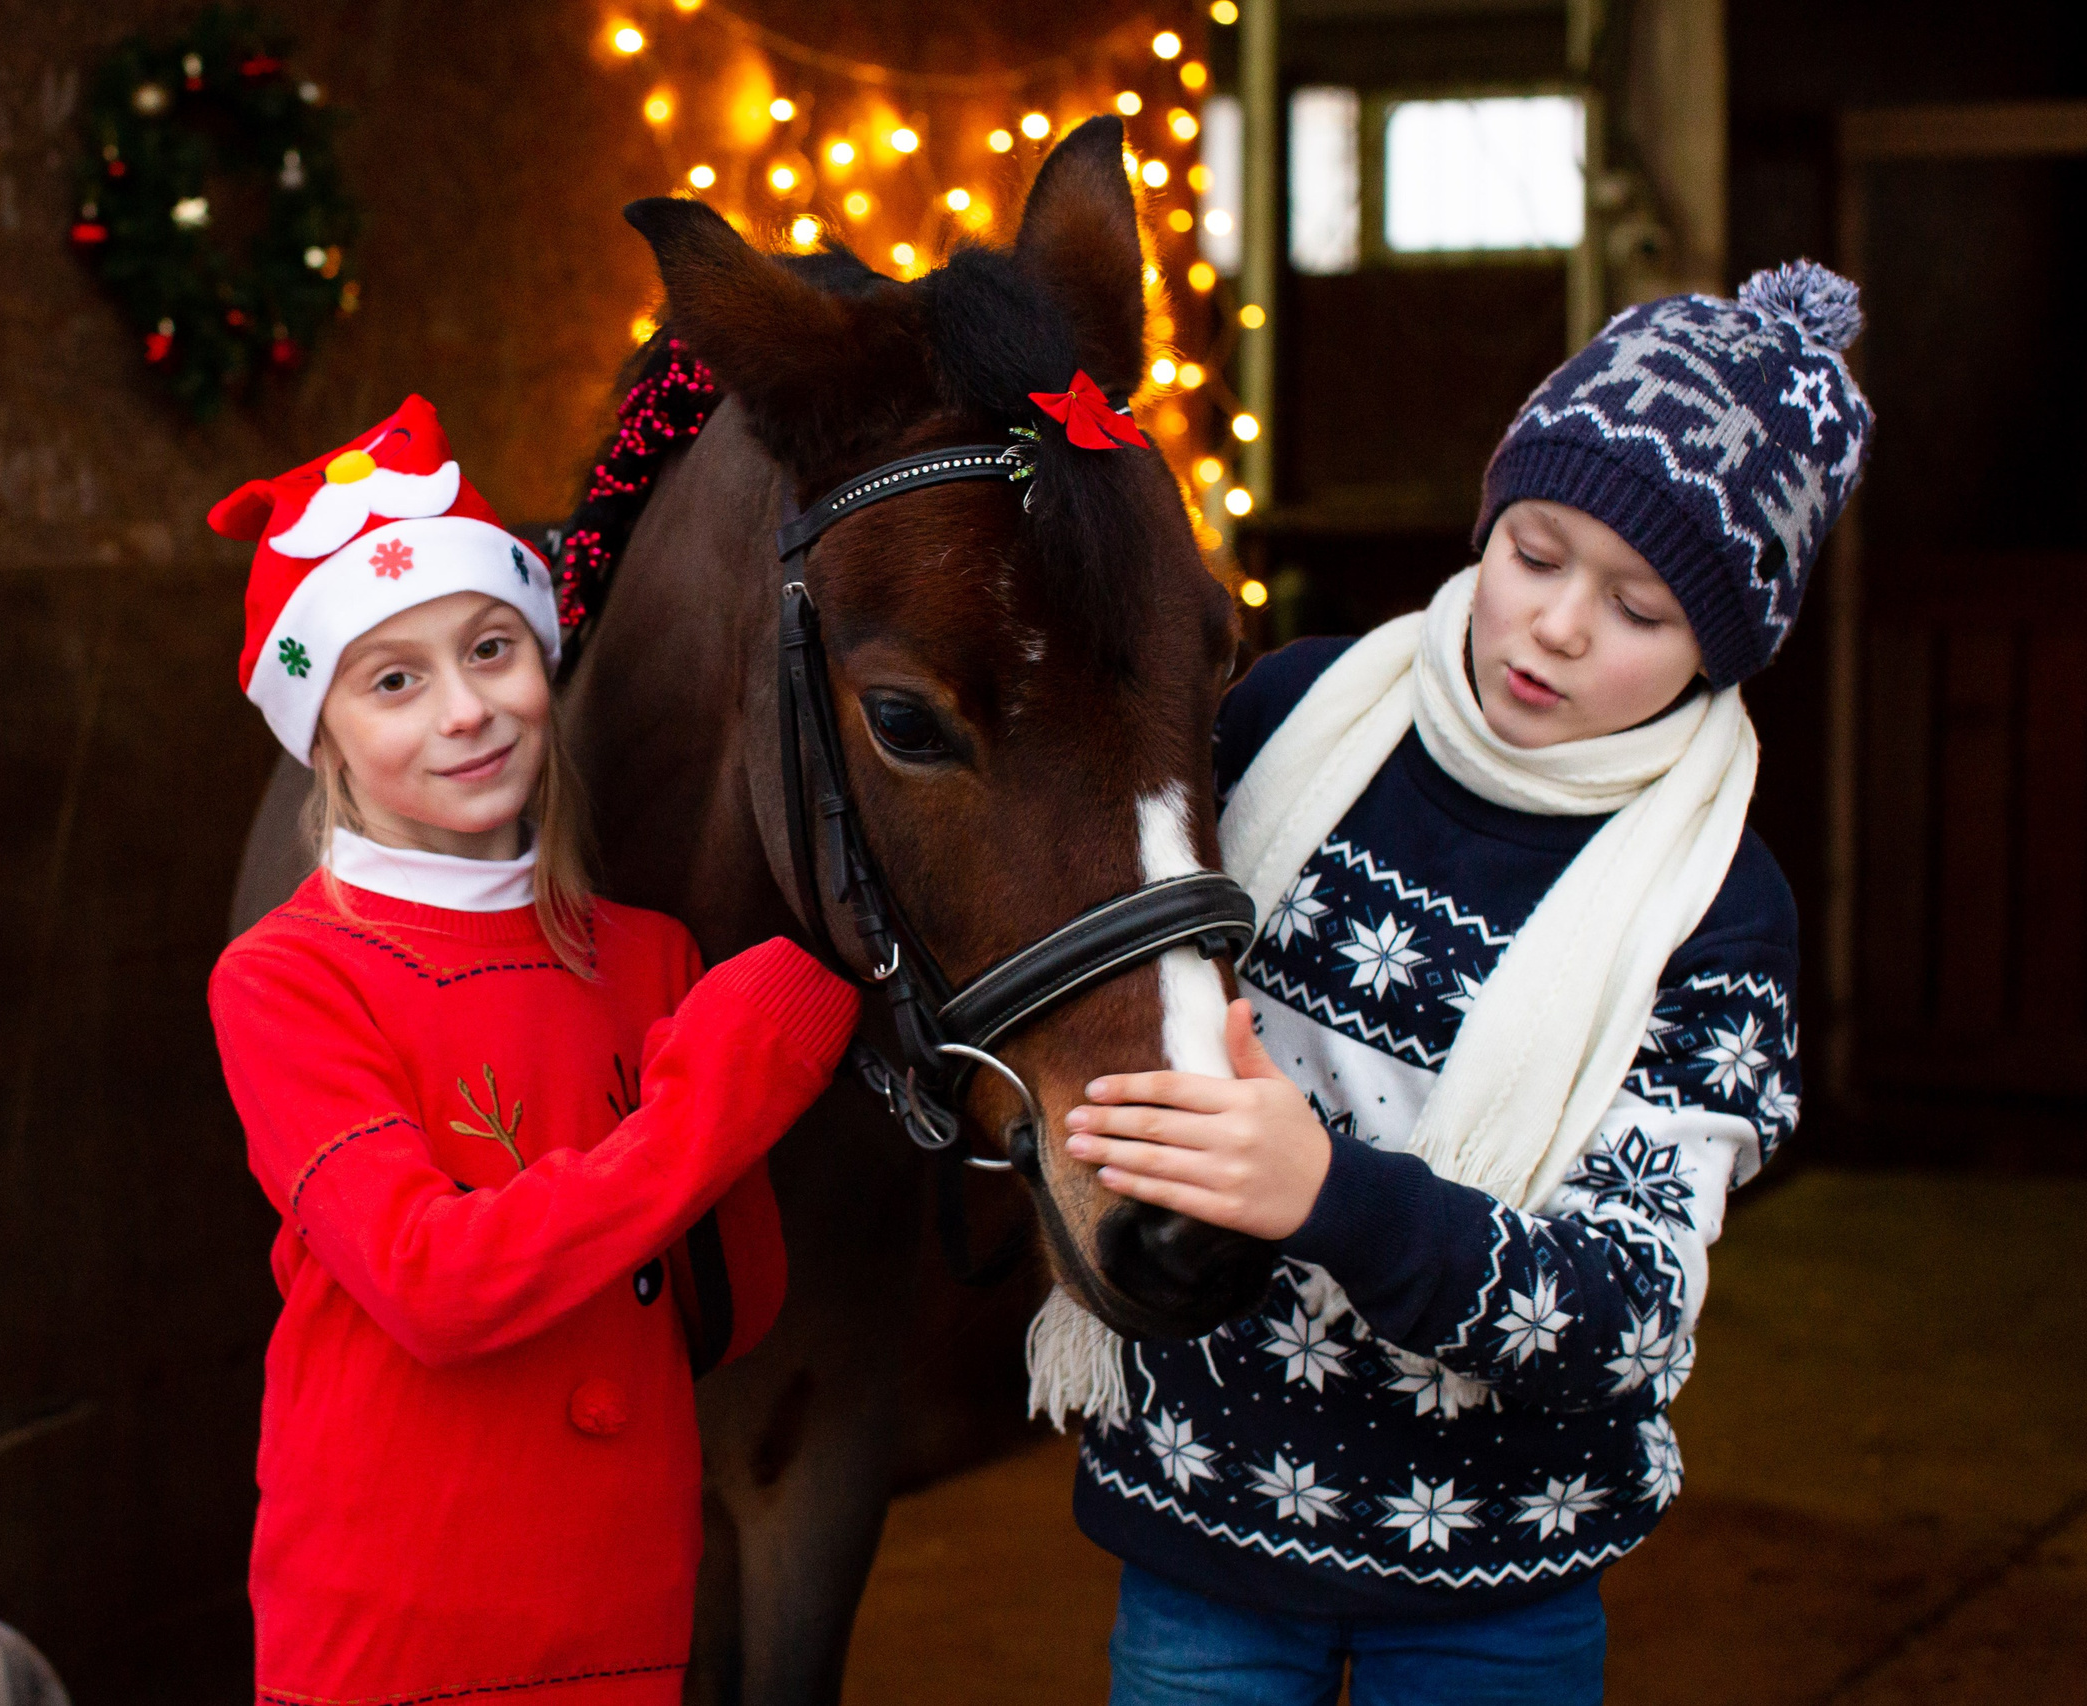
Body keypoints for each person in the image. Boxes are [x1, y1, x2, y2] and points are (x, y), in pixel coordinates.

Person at [1058, 264, 1874, 1703]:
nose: (1556, 625)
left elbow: (1629, 1314)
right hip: (1205, 1530)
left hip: (1495, 1581)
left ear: (1724, 651)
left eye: (1640, 608)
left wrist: (1327, 1192)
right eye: (1537, 552)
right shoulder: (1292, 714)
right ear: (1488, 523)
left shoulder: (1715, 912)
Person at [205, 396, 860, 1706]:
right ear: (321, 732)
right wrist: (729, 1085)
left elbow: (736, 1300)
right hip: (400, 1618)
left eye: (492, 649)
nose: (466, 711)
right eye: (396, 680)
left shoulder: (647, 956)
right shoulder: (289, 974)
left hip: (620, 1594)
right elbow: (429, 1280)